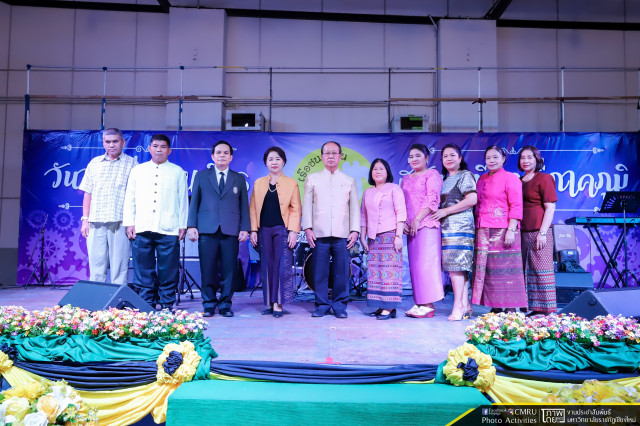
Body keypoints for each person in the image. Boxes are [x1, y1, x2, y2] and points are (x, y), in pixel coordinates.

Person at [123, 134, 188, 311]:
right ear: (149, 149)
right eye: (155, 146)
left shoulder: (177, 172)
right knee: (143, 268)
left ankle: (167, 303)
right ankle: (146, 304)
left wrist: (182, 225)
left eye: (163, 147)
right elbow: (130, 198)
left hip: (169, 227)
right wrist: (129, 222)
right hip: (142, 226)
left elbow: (183, 200)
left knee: (169, 269)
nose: (159, 149)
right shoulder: (138, 170)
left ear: (169, 150)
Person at [188, 140, 250, 318]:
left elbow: (244, 206)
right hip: (207, 229)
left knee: (228, 270)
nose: (222, 155)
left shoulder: (238, 178)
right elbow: (195, 203)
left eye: (225, 153)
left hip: (231, 230)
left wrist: (245, 227)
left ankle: (225, 304)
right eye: (218, 152)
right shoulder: (201, 176)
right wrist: (192, 225)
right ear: (212, 156)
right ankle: (208, 303)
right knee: (207, 268)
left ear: (231, 157)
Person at [302, 141, 360, 319]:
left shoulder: (349, 180)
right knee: (320, 270)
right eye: (327, 153)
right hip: (319, 233)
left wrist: (355, 230)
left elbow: (354, 208)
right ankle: (321, 304)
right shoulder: (312, 178)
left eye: (334, 153)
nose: (331, 156)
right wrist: (308, 228)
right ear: (322, 156)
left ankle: (340, 304)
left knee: (342, 270)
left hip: (342, 233)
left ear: (340, 156)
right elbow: (307, 206)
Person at [78, 128, 138, 285]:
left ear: (123, 142)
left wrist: (132, 222)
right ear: (103, 143)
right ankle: (97, 304)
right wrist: (85, 220)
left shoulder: (132, 164)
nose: (111, 145)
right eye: (108, 142)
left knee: (120, 266)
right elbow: (87, 193)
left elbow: (136, 196)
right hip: (95, 222)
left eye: (115, 141)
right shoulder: (94, 163)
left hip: (120, 223)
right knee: (96, 266)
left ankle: (117, 304)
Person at [472, 145, 527, 312]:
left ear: (503, 159)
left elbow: (516, 205)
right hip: (483, 229)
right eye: (488, 158)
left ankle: (510, 308)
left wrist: (511, 229)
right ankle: (495, 307)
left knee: (507, 271)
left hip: (503, 230)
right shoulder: (481, 179)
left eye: (495, 157)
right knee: (489, 271)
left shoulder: (511, 178)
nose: (491, 161)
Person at [249, 146, 302, 318]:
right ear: (265, 162)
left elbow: (296, 209)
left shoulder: (291, 183)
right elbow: (253, 209)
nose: (274, 162)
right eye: (270, 159)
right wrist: (253, 230)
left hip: (283, 229)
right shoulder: (258, 183)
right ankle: (269, 303)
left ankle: (279, 303)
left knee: (282, 267)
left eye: (278, 159)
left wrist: (293, 231)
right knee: (267, 267)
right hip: (263, 230)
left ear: (284, 162)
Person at [429, 144, 477, 321]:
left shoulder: (465, 175)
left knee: (456, 268)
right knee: (458, 268)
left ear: (460, 158)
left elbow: (472, 199)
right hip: (446, 227)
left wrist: (446, 211)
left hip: (460, 226)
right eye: (445, 156)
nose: (448, 159)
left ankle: (458, 307)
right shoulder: (443, 178)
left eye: (452, 155)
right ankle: (465, 306)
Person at [401, 143, 444, 318]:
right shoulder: (406, 179)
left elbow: (432, 198)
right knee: (415, 265)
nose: (413, 159)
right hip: (411, 227)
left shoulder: (432, 174)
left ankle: (429, 305)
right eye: (411, 156)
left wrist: (418, 219)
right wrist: (403, 221)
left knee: (427, 264)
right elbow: (402, 202)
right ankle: (419, 302)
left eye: (418, 155)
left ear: (427, 158)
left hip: (426, 224)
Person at [360, 159, 406, 320]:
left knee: (390, 272)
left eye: (381, 169)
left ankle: (390, 307)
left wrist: (398, 236)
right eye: (375, 169)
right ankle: (381, 306)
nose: (378, 171)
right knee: (376, 273)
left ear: (387, 172)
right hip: (374, 238)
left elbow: (401, 212)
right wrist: (363, 237)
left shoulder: (395, 188)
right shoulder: (368, 192)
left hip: (390, 235)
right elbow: (363, 216)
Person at [519, 145, 558, 316]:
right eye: (522, 158)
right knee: (526, 270)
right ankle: (533, 308)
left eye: (529, 157)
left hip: (539, 231)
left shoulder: (544, 178)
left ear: (537, 160)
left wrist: (542, 233)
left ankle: (546, 309)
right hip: (522, 231)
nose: (526, 161)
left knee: (541, 270)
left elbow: (550, 207)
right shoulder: (518, 181)